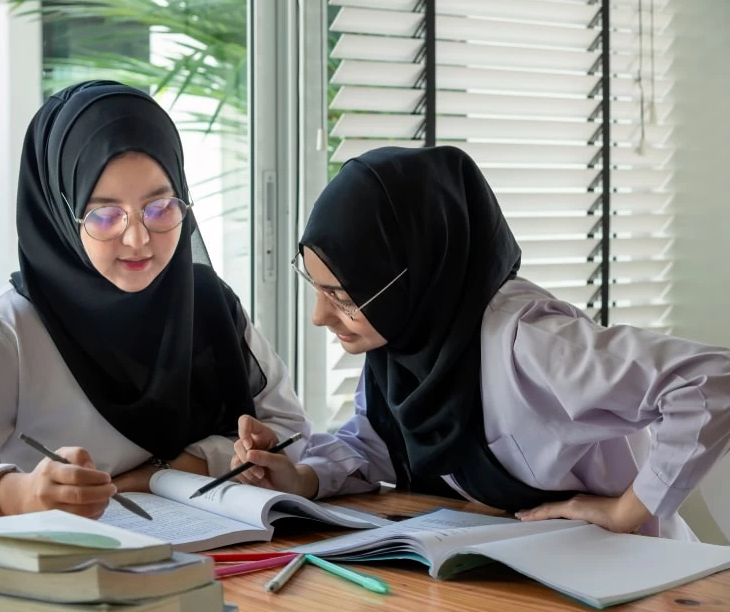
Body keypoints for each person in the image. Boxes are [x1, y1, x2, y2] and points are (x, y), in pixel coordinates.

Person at [231, 145, 730, 540]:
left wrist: (624, 512)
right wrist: (302, 478)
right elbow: (374, 445)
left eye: (341, 296)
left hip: (630, 580)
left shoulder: (531, 341)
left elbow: (709, 381)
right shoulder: (404, 342)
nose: (320, 316)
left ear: (415, 274)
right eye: (316, 288)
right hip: (522, 576)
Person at [0, 81, 309, 525]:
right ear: (59, 213)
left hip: (221, 559)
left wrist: (166, 473)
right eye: (104, 215)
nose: (139, 238)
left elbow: (291, 432)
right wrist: (21, 492)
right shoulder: (9, 329)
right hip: (62, 575)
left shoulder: (208, 304)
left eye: (161, 207)